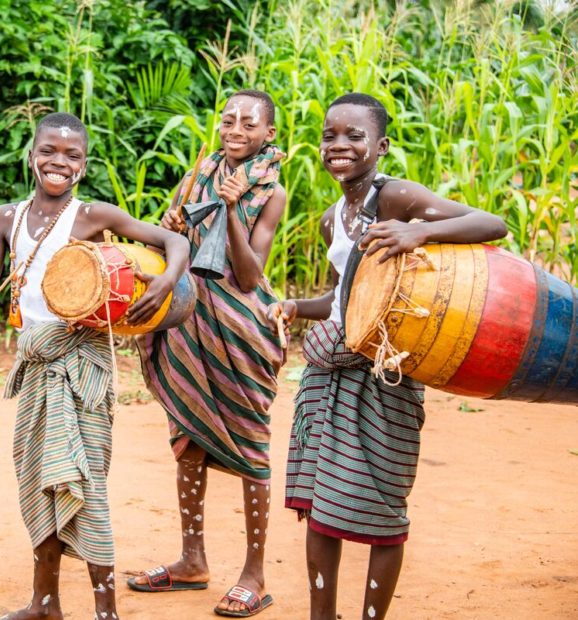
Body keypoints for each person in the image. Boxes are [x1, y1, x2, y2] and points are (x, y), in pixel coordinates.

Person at [270, 92, 507, 620]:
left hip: (388, 371)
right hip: (327, 376)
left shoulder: (396, 197)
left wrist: (418, 230)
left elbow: (492, 224)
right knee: (322, 502)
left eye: (355, 136)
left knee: (383, 495)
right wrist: (293, 306)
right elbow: (344, 296)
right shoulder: (333, 218)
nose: (340, 145)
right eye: (330, 135)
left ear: (380, 145)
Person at [0, 111, 189, 620]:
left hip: (82, 364)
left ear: (82, 167)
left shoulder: (92, 216)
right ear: (31, 155)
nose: (58, 162)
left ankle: (105, 611)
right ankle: (45, 605)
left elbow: (176, 242)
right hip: (35, 362)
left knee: (85, 484)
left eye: (71, 156)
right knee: (39, 482)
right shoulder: (5, 217)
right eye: (48, 151)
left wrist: (164, 281)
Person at [127, 89, 287, 618]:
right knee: (186, 438)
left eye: (249, 123)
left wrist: (234, 207)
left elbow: (248, 274)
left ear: (268, 134)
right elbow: (170, 238)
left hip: (239, 332)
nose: (235, 129)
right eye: (228, 119)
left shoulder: (271, 192)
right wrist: (172, 228)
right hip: (187, 320)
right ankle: (191, 561)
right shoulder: (197, 174)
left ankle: (254, 573)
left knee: (250, 447)